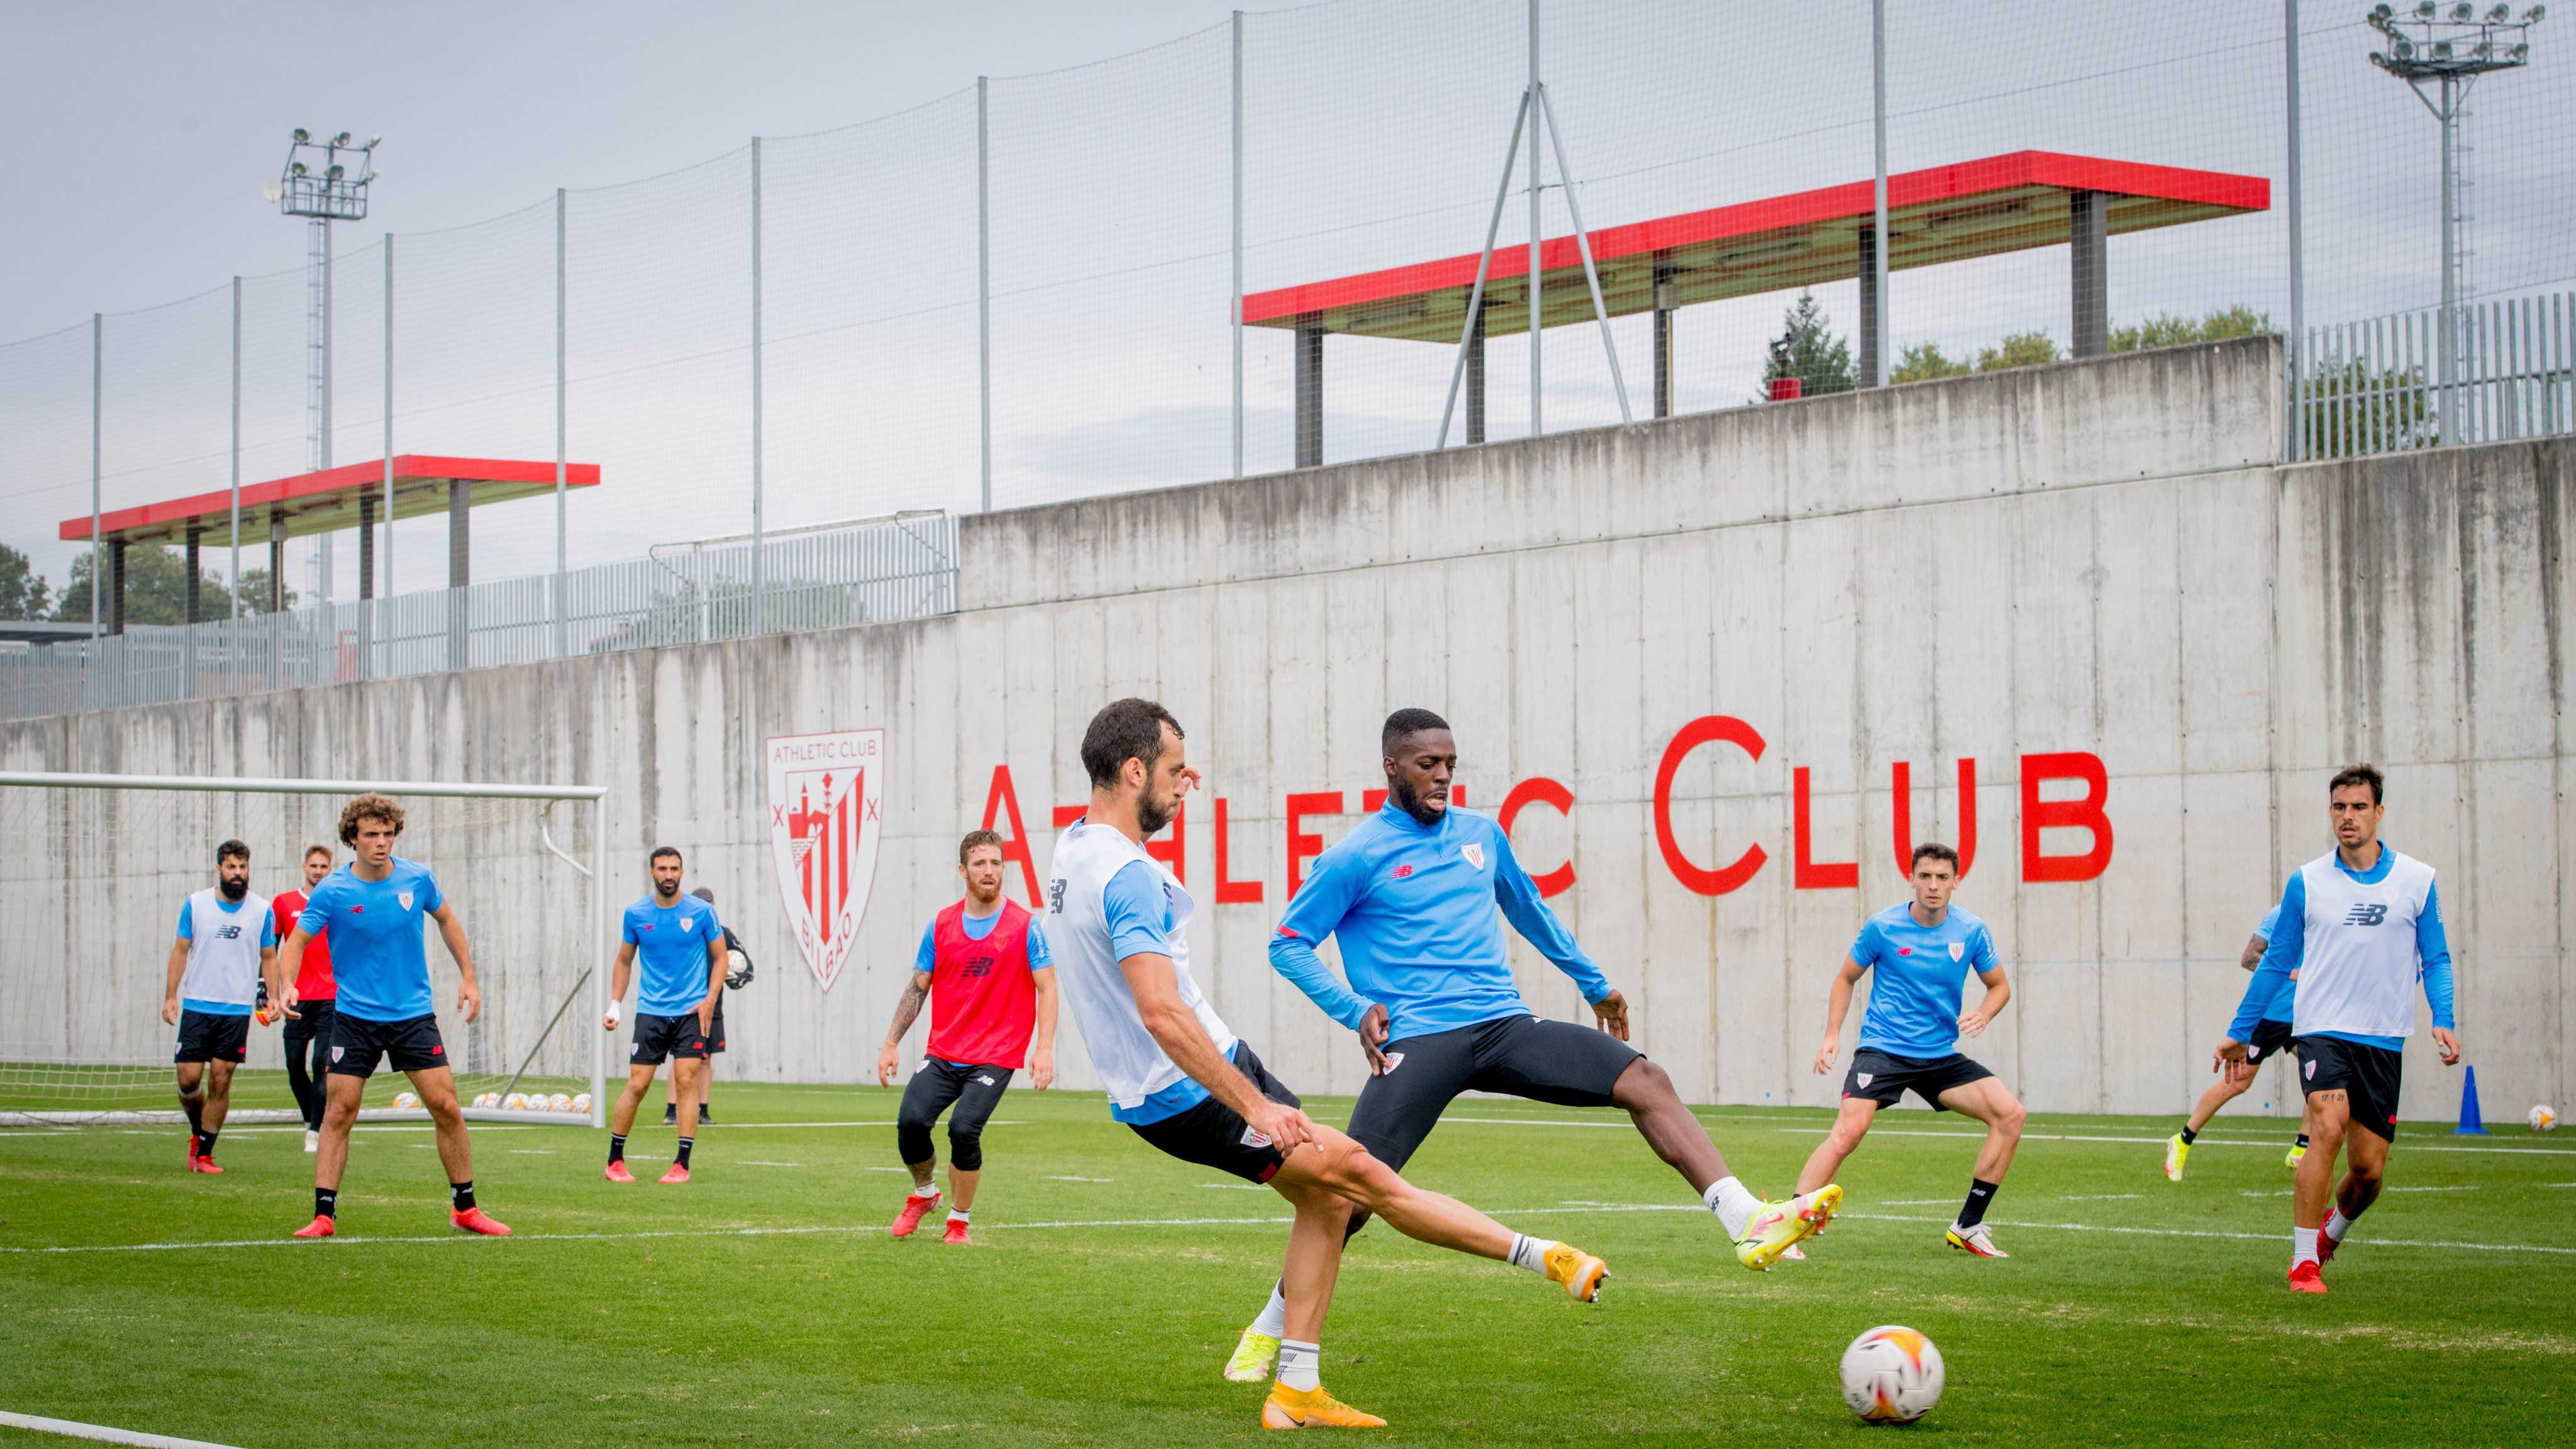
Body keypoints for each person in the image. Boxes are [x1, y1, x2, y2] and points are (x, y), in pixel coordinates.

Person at [1226, 708, 1841, 1381]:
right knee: (1347, 1196)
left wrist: (1596, 986)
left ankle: (1746, 1219)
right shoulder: (1356, 854)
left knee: (1645, 1080)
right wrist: (1352, 1009)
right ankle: (1270, 1324)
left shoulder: (1480, 837)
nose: (1442, 778)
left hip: (1503, 1028)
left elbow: (1530, 912)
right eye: (1428, 765)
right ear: (1391, 767)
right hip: (1418, 1041)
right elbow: (1287, 944)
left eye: (1451, 765)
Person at [1046, 697, 1609, 1431]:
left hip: (1187, 1077)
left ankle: (1296, 1387)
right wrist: (1254, 1106)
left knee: (1330, 1201)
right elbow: (1160, 1013)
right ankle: (1547, 1259)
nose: (1190, 783)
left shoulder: (1071, 851)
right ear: (1131, 771)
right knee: (1364, 1178)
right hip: (1194, 1087)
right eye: (1176, 771)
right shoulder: (1126, 876)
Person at [2216, 763, 2460, 1294]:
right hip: (2321, 1027)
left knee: (2368, 1172)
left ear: (2379, 812)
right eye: (2338, 807)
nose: (2347, 817)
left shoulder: (2417, 880)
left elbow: (2436, 958)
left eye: (2357, 807)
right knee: (2326, 1126)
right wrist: (2241, 1029)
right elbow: (2276, 962)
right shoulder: (2307, 881)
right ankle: (2304, 1262)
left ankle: (2332, 1234)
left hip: (2383, 1037)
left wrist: (2444, 1019)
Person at [276, 793, 508, 1237]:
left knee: (446, 1106)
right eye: (371, 835)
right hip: (354, 1018)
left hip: (413, 1016)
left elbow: (447, 919)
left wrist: (469, 977)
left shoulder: (418, 879)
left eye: (387, 834)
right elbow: (297, 943)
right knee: (339, 1111)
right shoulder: (333, 890)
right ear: (353, 839)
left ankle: (465, 1208)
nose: (381, 842)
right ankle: (324, 1215)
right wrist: (289, 984)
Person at [1797, 842, 2024, 1259]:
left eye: (1942, 877)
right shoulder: (1883, 927)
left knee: (2010, 1115)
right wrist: (1832, 1035)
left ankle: (1968, 1225)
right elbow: (1846, 978)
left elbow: (2000, 986)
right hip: (1883, 1049)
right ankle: (1790, 1226)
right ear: (1912, 879)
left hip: (1938, 1054)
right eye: (1925, 876)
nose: (1933, 885)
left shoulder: (1971, 930)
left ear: (1956, 881)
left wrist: (1984, 1013)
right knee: (1848, 1133)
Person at [875, 830, 1059, 1245]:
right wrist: (891, 1043)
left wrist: (1043, 1049)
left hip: (996, 1054)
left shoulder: (1026, 927)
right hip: (945, 1050)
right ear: (964, 870)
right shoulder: (940, 925)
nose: (989, 871)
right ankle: (925, 1195)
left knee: (963, 1129)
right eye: (980, 863)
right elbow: (918, 986)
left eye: (996, 863)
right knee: (911, 1122)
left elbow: (1048, 988)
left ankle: (959, 1221)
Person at [602, 847, 726, 1184]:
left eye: (674, 868)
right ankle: (615, 1161)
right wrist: (615, 1004)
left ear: (682, 872)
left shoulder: (702, 912)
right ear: (652, 873)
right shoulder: (636, 913)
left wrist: (709, 1000)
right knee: (638, 1085)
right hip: (651, 1012)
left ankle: (681, 1165)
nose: (668, 874)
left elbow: (721, 957)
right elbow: (624, 960)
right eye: (662, 869)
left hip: (691, 1013)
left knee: (686, 1080)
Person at [2163, 906, 2311, 1180]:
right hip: (2269, 1017)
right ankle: (2182, 1140)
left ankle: (2301, 1149)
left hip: (2303, 1017)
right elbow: (2249, 958)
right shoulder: (2281, 914)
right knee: (2239, 1083)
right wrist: (2293, 973)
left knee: (2322, 1079)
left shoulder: (2324, 914)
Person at [162, 839, 277, 1174]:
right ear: (219, 869)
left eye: (243, 867)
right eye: (231, 867)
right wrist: (171, 996)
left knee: (222, 1081)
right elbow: (180, 951)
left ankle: (204, 1154)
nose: (238, 874)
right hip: (198, 1004)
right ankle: (198, 1131)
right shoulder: (196, 905)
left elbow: (269, 957)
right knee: (188, 1079)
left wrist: (272, 996)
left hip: (237, 1009)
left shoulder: (261, 909)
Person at [666, 884, 751, 1126]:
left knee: (705, 1059)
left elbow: (745, 964)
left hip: (712, 1006)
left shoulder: (722, 934)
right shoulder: (682, 931)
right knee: (681, 1058)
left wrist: (740, 976)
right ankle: (671, 1111)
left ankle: (703, 1111)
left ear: (713, 907)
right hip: (683, 1005)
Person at [273, 845, 338, 1155]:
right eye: (314, 865)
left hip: (332, 996)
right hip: (296, 995)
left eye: (324, 866)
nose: (319, 871)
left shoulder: (338, 900)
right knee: (294, 1065)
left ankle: (315, 1131)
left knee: (321, 1062)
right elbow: (270, 952)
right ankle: (311, 1118)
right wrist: (269, 994)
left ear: (330, 868)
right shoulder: (284, 903)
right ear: (304, 867)